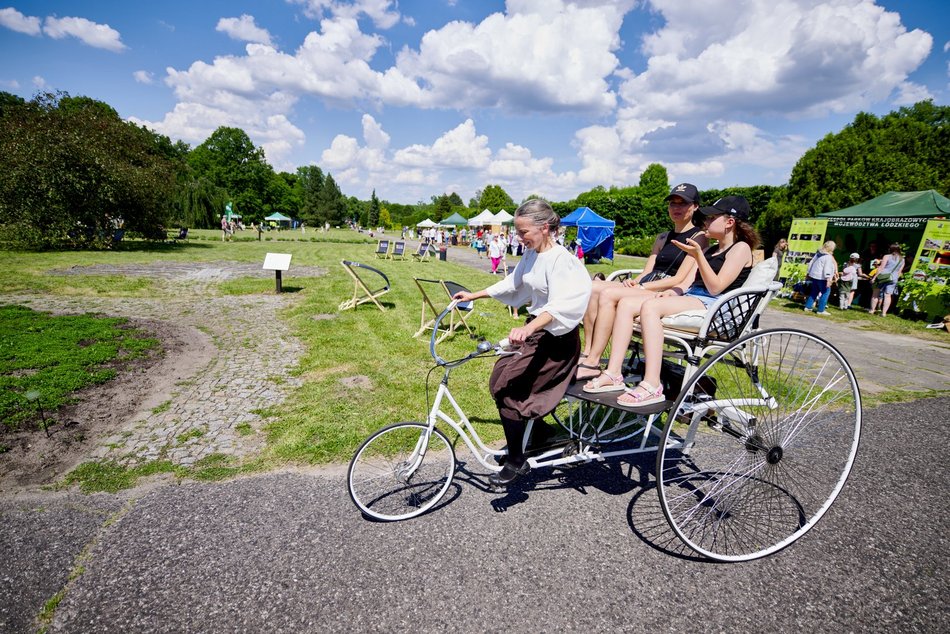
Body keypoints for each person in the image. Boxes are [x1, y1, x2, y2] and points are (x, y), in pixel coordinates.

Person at [453, 199, 592, 486]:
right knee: (499, 379)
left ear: (545, 228)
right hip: (537, 333)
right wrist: (473, 295)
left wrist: (529, 328)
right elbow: (512, 283)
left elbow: (562, 306)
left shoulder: (562, 261)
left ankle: (517, 461)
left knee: (510, 389)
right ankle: (538, 433)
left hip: (557, 341)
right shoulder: (532, 254)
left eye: (524, 231)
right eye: (517, 232)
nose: (519, 238)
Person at [583, 196, 758, 408]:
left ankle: (652, 384)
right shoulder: (711, 250)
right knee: (627, 304)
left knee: (650, 307)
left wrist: (698, 256)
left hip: (712, 303)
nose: (706, 221)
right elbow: (686, 282)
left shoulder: (741, 248)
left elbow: (716, 287)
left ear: (730, 222)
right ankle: (613, 373)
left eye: (712, 218)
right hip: (691, 296)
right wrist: (672, 293)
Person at [575, 183, 708, 382]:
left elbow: (679, 278)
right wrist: (634, 282)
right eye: (673, 203)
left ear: (695, 206)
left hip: (664, 289)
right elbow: (648, 271)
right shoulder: (662, 237)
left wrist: (642, 286)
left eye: (683, 203)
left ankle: (593, 362)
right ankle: (587, 352)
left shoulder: (699, 237)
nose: (676, 208)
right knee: (592, 287)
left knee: (608, 294)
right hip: (647, 284)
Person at [869, 243, 905, 316]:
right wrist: (895, 279)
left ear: (891, 249)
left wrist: (874, 277)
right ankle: (884, 313)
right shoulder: (902, 259)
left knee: (875, 293)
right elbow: (899, 272)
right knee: (888, 296)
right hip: (893, 278)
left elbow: (881, 268)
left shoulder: (887, 256)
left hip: (882, 276)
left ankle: (872, 310)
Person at [803, 241, 837, 315]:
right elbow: (827, 268)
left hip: (815, 276)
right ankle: (821, 310)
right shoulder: (828, 257)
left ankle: (808, 307)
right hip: (823, 278)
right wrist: (828, 279)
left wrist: (808, 273)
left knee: (814, 292)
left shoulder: (818, 254)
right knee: (825, 293)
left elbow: (811, 263)